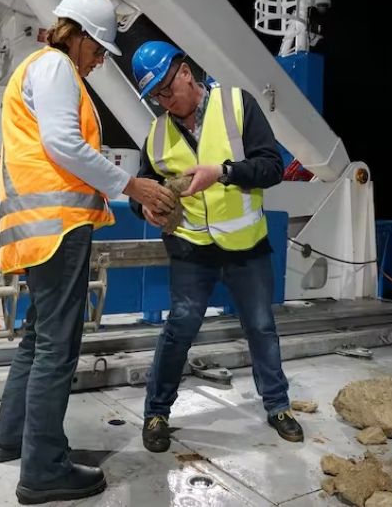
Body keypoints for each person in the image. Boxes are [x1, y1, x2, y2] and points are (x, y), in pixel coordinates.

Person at [0, 0, 174, 504]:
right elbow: (63, 145)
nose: (97, 63)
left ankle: (11, 440)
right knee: (56, 346)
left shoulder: (39, 68)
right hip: (57, 228)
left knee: (36, 338)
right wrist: (131, 185)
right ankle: (44, 468)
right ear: (81, 37)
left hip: (35, 230)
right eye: (97, 51)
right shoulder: (54, 68)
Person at [128, 41, 304, 453]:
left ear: (186, 71)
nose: (166, 101)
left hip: (246, 246)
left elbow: (272, 167)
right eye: (156, 96)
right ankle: (157, 412)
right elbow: (143, 188)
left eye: (169, 89)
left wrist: (223, 172)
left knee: (260, 327)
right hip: (191, 249)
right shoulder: (156, 135)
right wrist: (145, 210)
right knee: (180, 328)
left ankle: (278, 406)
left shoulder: (237, 106)